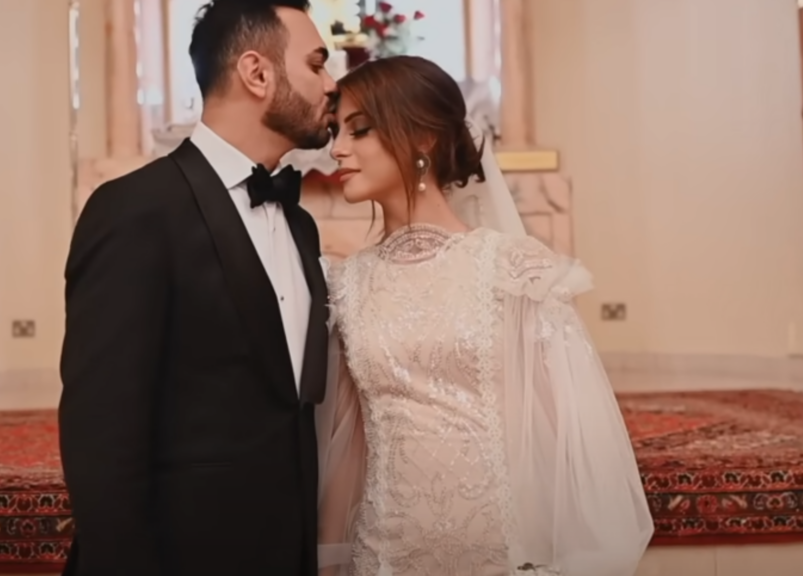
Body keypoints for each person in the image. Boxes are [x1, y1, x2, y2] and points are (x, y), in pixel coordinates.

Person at [316, 56, 654, 576]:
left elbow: (562, 439)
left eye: (359, 130)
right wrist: (330, 561)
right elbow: (348, 448)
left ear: (423, 138)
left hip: (500, 553)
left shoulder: (514, 271)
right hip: (386, 554)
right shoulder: (348, 284)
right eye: (335, 131)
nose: (337, 149)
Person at [58, 1, 337, 574]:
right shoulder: (135, 210)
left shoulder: (299, 224)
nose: (331, 84)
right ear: (257, 73)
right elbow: (101, 434)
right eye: (316, 64)